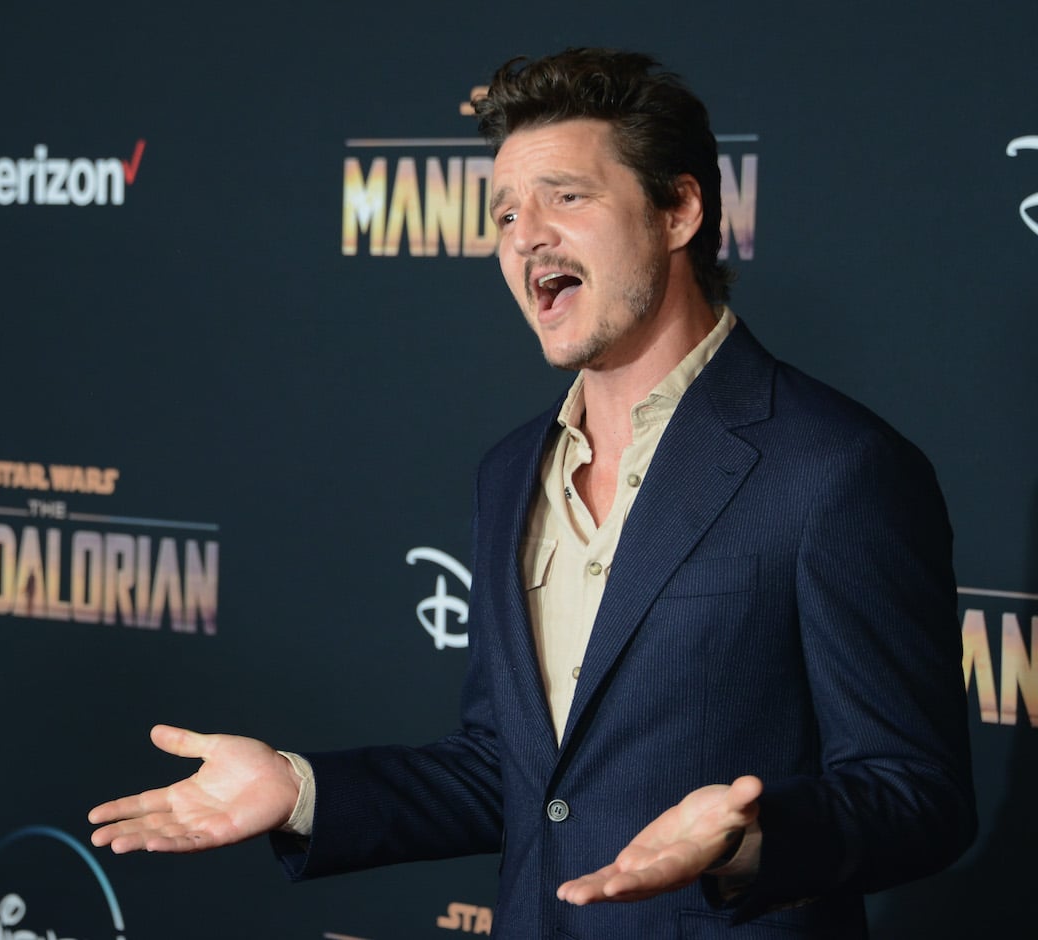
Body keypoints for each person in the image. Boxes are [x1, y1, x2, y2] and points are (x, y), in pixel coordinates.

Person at [89, 48, 976, 937]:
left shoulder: (835, 467)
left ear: (678, 209)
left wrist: (749, 840)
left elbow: (917, 794)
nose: (525, 236)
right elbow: (513, 772)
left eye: (566, 197)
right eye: (507, 212)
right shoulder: (511, 471)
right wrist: (302, 790)